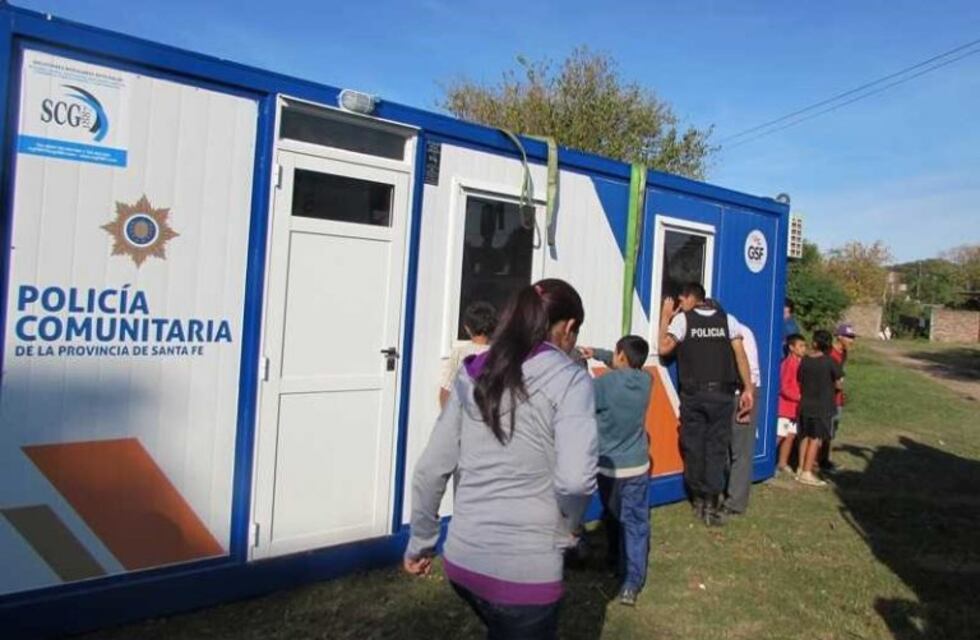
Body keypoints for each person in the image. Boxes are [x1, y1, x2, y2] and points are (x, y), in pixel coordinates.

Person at [404, 279, 597, 640]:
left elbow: (431, 469)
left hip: (463, 561)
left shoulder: (472, 371)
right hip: (526, 576)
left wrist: (421, 541)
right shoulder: (571, 381)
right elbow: (575, 480)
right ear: (569, 327)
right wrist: (569, 528)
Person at [658, 283, 754, 527]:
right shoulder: (728, 320)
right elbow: (740, 356)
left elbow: (663, 349)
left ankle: (699, 499)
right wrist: (748, 389)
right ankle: (711, 503)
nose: (680, 302)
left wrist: (665, 317)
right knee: (716, 448)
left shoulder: (683, 321)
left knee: (693, 447)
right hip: (722, 396)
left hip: (695, 396)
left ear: (691, 298)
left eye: (682, 297)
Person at [578, 336, 652, 607]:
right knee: (635, 523)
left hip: (609, 468)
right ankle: (632, 580)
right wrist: (596, 352)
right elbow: (623, 361)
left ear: (620, 355)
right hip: (638, 467)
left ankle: (615, 564)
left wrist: (581, 361)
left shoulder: (604, 385)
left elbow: (581, 397)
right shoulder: (646, 381)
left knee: (614, 516)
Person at [796, 329, 843, 487]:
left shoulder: (805, 360)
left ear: (815, 343)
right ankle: (807, 472)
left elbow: (799, 379)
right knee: (815, 439)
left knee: (804, 436)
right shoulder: (830, 361)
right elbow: (838, 382)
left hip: (804, 403)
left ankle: (800, 467)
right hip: (822, 406)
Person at [724, 317, 760, 517]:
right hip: (728, 393)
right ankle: (729, 491)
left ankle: (736, 502)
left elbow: (751, 369)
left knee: (741, 450)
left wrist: (748, 395)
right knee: (728, 447)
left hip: (744, 393)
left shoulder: (741, 333)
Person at [439, 301, 497, 409]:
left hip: (464, 414)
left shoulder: (459, 353)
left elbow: (446, 390)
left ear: (467, 328)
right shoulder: (499, 354)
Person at [819, 323, 856, 471]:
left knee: (832, 431)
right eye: (849, 337)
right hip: (827, 398)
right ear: (839, 337)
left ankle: (824, 460)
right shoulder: (830, 353)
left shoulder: (844, 353)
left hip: (838, 398)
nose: (852, 340)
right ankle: (817, 461)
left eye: (852, 337)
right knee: (824, 430)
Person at [776, 334, 807, 474]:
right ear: (791, 347)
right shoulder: (788, 363)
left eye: (804, 346)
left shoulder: (800, 363)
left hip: (794, 409)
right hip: (785, 407)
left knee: (790, 436)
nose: (803, 349)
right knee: (780, 435)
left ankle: (783, 462)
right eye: (800, 346)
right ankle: (769, 461)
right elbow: (783, 386)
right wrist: (798, 397)